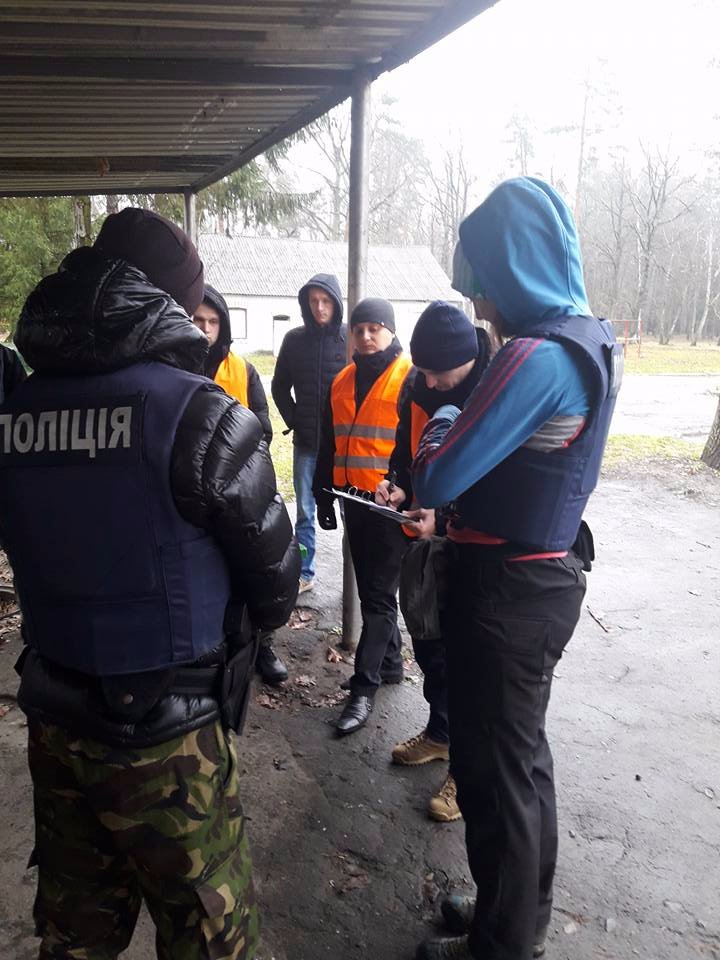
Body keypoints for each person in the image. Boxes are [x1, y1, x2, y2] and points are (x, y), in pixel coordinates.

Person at [0, 207, 300, 960]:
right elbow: (276, 586)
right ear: (172, 301)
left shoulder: (16, 411)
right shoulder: (199, 414)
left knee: (75, 934)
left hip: (55, 717)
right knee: (210, 938)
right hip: (171, 737)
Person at [410, 178, 622, 960]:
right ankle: (512, 914)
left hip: (507, 596)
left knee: (494, 774)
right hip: (540, 581)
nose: (481, 308)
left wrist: (442, 417)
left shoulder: (535, 356)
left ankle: (500, 945)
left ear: (512, 268)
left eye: (484, 286)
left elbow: (437, 476)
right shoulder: (592, 339)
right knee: (520, 766)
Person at [375, 301, 491, 823]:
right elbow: (406, 449)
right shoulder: (417, 386)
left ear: (466, 360)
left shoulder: (496, 388)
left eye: (439, 373)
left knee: (470, 662)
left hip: (477, 548)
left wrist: (443, 519)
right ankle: (441, 734)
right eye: (423, 371)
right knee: (429, 643)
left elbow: (494, 481)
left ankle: (467, 772)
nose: (430, 382)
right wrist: (398, 485)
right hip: (425, 538)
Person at [314, 297, 414, 736]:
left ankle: (364, 687)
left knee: (377, 598)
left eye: (375, 328)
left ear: (391, 331)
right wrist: (322, 497)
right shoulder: (341, 381)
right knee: (375, 590)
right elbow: (329, 442)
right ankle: (390, 663)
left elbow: (420, 443)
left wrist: (411, 492)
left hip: (390, 506)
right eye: (359, 329)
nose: (367, 336)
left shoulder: (410, 378)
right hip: (352, 500)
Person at [193, 284, 288, 685]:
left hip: (238, 489)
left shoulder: (243, 371)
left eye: (213, 321)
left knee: (252, 568)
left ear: (224, 327)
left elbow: (263, 425)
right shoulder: (171, 366)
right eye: (198, 319)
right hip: (189, 493)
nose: (205, 328)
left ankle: (263, 645)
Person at [271, 274, 346, 593]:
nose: (320, 307)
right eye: (314, 301)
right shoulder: (293, 340)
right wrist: (295, 419)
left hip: (344, 449)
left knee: (351, 512)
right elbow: (278, 387)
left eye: (326, 301)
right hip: (306, 445)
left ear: (336, 304)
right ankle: (305, 571)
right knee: (304, 512)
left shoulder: (350, 339)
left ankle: (355, 578)